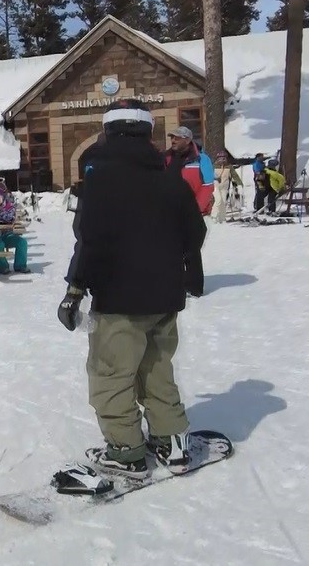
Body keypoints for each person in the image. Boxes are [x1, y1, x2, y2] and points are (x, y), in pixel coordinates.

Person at [57, 99, 207, 478]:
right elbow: (196, 232)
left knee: (111, 374)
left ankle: (126, 452)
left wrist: (75, 291)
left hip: (118, 300)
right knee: (156, 368)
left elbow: (89, 240)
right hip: (164, 298)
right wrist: (184, 270)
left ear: (108, 132)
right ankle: (171, 440)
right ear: (148, 134)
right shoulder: (169, 179)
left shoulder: (100, 182)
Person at [164, 126, 215, 215]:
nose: (173, 141)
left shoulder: (202, 159)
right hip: (170, 213)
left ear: (187, 140)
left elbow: (207, 186)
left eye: (177, 138)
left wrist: (195, 210)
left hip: (196, 214)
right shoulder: (166, 158)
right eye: (172, 137)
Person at [0, 181, 29, 274]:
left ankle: (20, 265)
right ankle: (2, 267)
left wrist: (1, 211)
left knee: (22, 242)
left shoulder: (9, 206)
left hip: (7, 234)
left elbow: (10, 218)